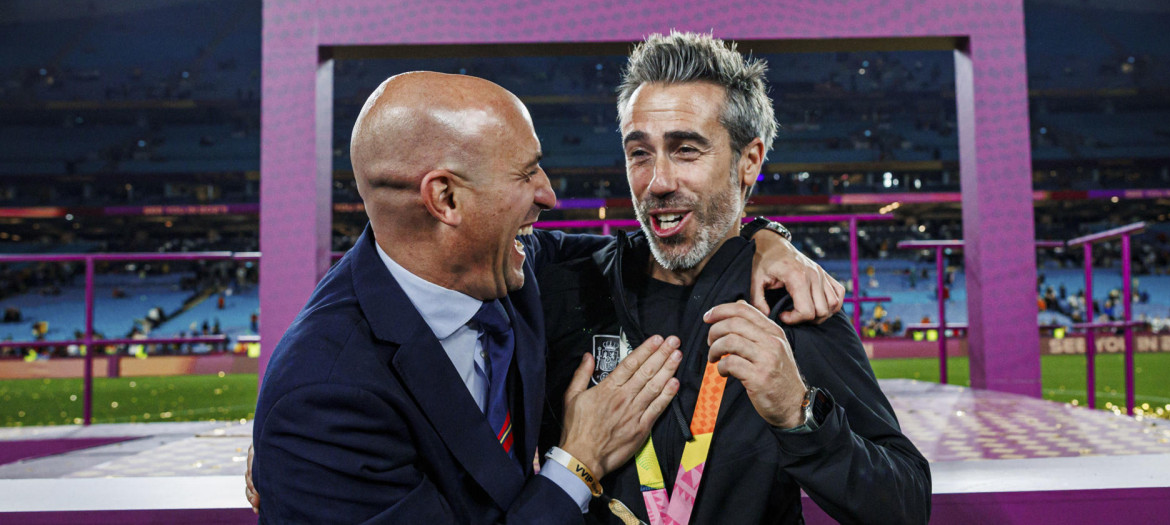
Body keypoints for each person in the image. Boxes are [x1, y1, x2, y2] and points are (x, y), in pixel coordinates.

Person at [251, 71, 843, 523]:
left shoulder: (507, 265)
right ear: (447, 200)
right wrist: (575, 465)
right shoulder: (323, 401)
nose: (550, 195)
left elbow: (661, 242)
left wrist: (767, 240)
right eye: (526, 174)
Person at [536, 32, 930, 524]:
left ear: (750, 162)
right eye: (640, 153)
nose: (658, 182)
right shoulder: (571, 285)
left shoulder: (790, 306)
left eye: (685, 150)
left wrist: (799, 414)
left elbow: (905, 505)